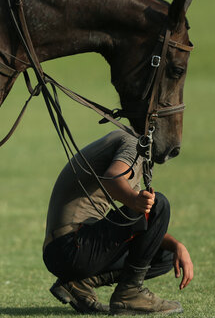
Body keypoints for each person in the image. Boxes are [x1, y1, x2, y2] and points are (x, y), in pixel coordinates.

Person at [43, 129, 193, 315]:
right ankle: (130, 293)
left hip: (68, 249)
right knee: (159, 204)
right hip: (71, 245)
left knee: (167, 256)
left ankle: (79, 284)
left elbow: (141, 223)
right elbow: (111, 178)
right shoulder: (134, 142)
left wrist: (177, 245)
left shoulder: (135, 150)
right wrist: (136, 200)